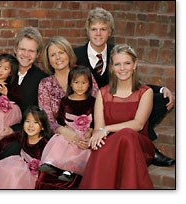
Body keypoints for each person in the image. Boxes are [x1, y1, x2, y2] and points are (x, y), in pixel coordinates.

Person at [74, 7, 175, 166]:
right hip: (89, 109)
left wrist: (160, 89)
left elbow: (130, 80)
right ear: (87, 31)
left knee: (159, 99)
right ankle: (143, 145)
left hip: (115, 105)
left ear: (110, 32)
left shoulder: (116, 53)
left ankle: (139, 137)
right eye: (94, 29)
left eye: (103, 29)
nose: (98, 33)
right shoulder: (76, 55)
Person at [79, 44, 155, 189]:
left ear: (134, 65)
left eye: (127, 63)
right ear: (112, 67)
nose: (122, 68)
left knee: (127, 134)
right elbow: (98, 129)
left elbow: (138, 124)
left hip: (138, 145)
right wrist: (99, 132)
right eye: (117, 64)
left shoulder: (145, 92)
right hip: (109, 143)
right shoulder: (103, 93)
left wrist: (106, 129)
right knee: (101, 146)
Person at [35, 36, 98, 189]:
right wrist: (65, 132)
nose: (58, 58)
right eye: (53, 54)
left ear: (68, 53)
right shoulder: (45, 84)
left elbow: (98, 107)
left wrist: (92, 130)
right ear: (48, 60)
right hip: (61, 138)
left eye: (61, 52)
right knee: (48, 177)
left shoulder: (84, 75)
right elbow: (47, 119)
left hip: (87, 136)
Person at [0, 26, 48, 159]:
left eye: (31, 51)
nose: (26, 54)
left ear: (37, 54)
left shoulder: (41, 79)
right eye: (22, 49)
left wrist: (12, 130)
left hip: (21, 135)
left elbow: (39, 116)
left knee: (10, 149)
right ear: (15, 49)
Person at [39, 65, 95, 183]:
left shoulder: (92, 101)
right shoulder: (65, 101)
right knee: (60, 140)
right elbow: (60, 119)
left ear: (89, 84)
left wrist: (91, 131)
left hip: (85, 133)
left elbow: (96, 120)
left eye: (83, 82)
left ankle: (70, 170)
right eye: (76, 82)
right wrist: (65, 129)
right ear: (71, 84)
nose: (79, 86)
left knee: (80, 148)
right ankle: (52, 163)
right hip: (69, 130)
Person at [0, 105, 51, 189]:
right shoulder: (22, 135)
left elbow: (47, 167)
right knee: (1, 169)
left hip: (33, 176)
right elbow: (2, 142)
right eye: (27, 121)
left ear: (42, 127)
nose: (31, 126)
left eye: (36, 123)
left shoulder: (44, 144)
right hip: (18, 164)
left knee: (13, 176)